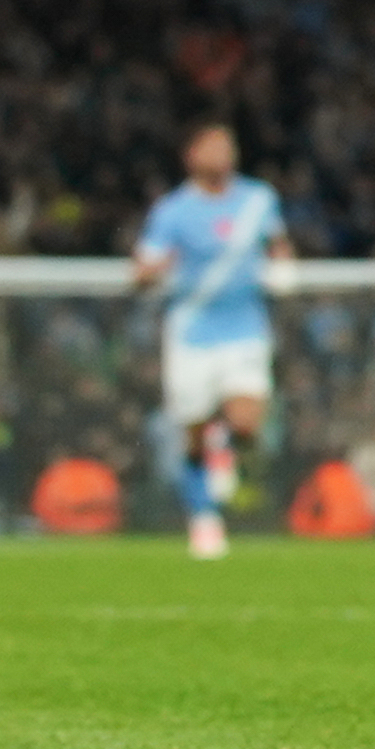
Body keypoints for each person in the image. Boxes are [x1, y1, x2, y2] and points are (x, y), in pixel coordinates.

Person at [130, 123, 289, 561]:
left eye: (228, 144)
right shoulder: (173, 211)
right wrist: (157, 269)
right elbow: (141, 270)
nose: (223, 152)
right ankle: (204, 518)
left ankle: (226, 451)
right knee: (194, 431)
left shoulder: (258, 201)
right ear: (191, 155)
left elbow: (277, 243)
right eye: (213, 145)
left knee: (246, 421)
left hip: (245, 328)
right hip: (192, 332)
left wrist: (282, 267)